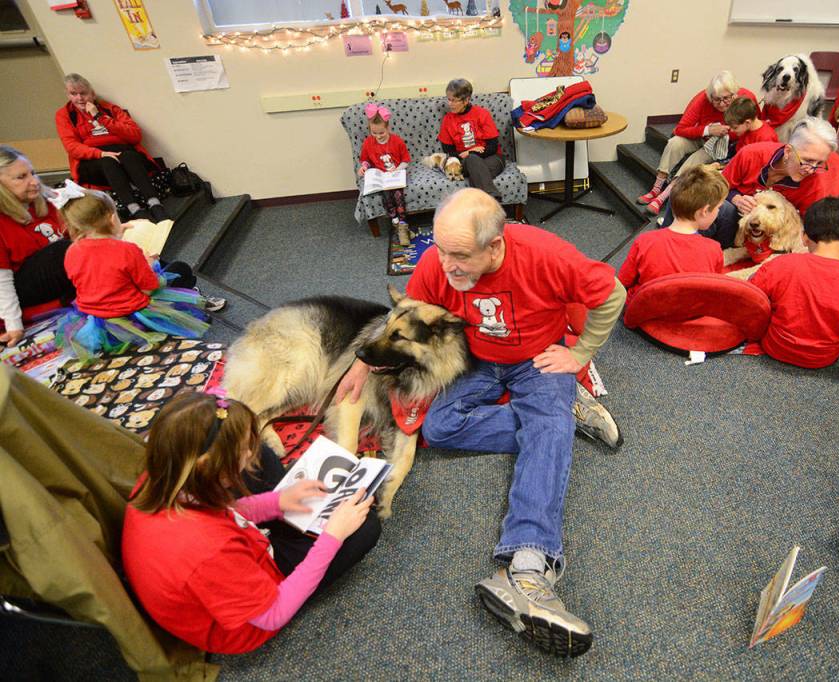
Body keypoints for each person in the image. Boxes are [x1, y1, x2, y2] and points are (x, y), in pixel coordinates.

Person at [335, 188, 625, 658]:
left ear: (495, 246)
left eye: (460, 255)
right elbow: (408, 312)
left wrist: (580, 353)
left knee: (545, 433)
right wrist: (364, 361)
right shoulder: (437, 261)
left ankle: (529, 568)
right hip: (476, 361)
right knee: (439, 428)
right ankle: (557, 421)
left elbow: (614, 294)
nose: (445, 265)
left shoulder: (547, 255)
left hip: (539, 361)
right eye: (442, 250)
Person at [122, 391, 380, 654]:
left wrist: (277, 502)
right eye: (242, 451)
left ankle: (297, 517)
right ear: (212, 468)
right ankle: (315, 531)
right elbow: (273, 615)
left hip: (238, 551)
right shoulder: (210, 553)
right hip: (254, 614)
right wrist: (332, 536)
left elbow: (224, 511)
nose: (249, 452)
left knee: (265, 457)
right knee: (365, 527)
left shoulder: (164, 476)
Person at [53, 187, 214, 360]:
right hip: (134, 314)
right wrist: (150, 264)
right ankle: (192, 296)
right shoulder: (127, 250)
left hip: (95, 319)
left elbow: (99, 268)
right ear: (112, 217)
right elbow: (150, 289)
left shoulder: (71, 251)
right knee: (179, 269)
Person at [672, 117, 839, 249]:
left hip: (774, 234)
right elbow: (716, 189)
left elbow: (805, 232)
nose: (811, 169)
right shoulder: (750, 155)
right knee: (707, 202)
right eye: (807, 160)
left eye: (819, 163)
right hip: (734, 219)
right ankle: (676, 248)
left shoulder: (817, 184)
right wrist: (736, 198)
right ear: (788, 151)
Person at [749, 197, 839, 369]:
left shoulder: (780, 264)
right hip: (823, 359)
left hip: (775, 347)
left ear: (804, 237)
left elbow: (749, 298)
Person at [55, 73, 169, 222]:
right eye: (73, 94)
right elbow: (72, 147)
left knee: (129, 156)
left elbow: (135, 135)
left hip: (122, 151)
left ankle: (155, 204)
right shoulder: (64, 115)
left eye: (83, 93)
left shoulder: (109, 109)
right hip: (93, 160)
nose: (79, 98)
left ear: (93, 94)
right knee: (109, 162)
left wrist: (100, 118)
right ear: (68, 94)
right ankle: (134, 209)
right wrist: (101, 154)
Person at [637, 71, 758, 209]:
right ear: (710, 96)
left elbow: (755, 124)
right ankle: (656, 188)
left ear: (734, 94)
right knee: (674, 143)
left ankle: (663, 196)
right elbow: (680, 129)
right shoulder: (702, 99)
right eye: (716, 100)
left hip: (722, 145)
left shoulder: (747, 99)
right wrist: (708, 130)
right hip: (701, 136)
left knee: (695, 159)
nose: (722, 104)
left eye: (726, 98)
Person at [0, 145, 74, 347]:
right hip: (20, 290)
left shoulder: (42, 203)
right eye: (21, 177)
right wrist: (13, 325)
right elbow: (2, 282)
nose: (33, 181)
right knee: (66, 250)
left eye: (32, 173)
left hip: (55, 278)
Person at [618, 165, 726, 304]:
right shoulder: (714, 250)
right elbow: (710, 290)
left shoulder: (645, 241)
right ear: (705, 211)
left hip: (645, 312)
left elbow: (623, 280)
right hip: (685, 316)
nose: (718, 212)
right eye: (719, 208)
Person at [439, 79, 504, 198]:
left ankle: (483, 206)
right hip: (465, 162)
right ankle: (492, 197)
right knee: (472, 160)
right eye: (449, 99)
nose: (450, 104)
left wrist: (471, 153)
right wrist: (471, 153)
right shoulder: (448, 120)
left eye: (454, 100)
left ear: (466, 100)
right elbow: (448, 151)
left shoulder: (482, 114)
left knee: (476, 172)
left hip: (491, 158)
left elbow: (492, 147)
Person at [358, 103, 412, 245]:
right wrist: (364, 167)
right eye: (374, 133)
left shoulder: (397, 141)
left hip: (396, 174)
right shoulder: (368, 142)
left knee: (398, 196)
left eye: (381, 133)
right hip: (382, 178)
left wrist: (398, 169)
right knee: (386, 197)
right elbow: (365, 160)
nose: (378, 136)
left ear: (388, 128)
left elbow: (406, 160)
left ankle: (402, 224)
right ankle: (397, 225)